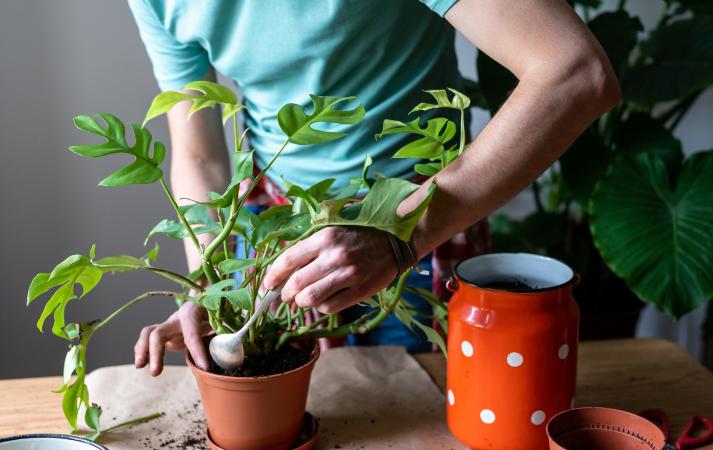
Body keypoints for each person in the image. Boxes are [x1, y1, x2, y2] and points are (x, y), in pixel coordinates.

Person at [129, 0, 620, 376]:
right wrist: (207, 285)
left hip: (423, 223)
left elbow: (576, 72)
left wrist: (399, 233)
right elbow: (200, 154)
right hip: (272, 234)